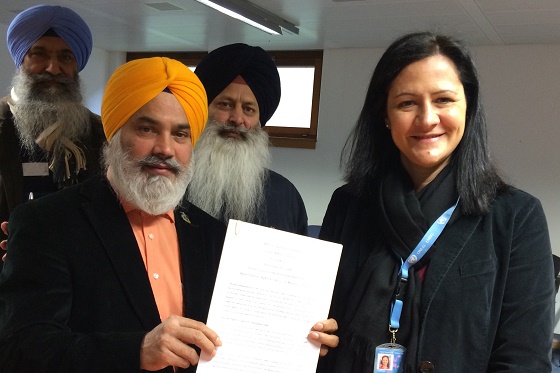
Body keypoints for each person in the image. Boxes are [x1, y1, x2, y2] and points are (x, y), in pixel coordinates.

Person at [0, 57, 338, 373]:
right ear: (113, 133)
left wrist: (298, 335)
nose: (165, 149)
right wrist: (137, 350)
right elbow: (20, 348)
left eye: (180, 134)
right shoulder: (47, 223)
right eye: (147, 129)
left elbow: (230, 334)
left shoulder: (209, 233)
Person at [316, 32, 554, 372]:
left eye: (443, 100)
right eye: (407, 103)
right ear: (385, 115)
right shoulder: (349, 204)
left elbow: (524, 361)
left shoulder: (516, 217)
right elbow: (320, 316)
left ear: (468, 108)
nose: (427, 119)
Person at [0, 5, 105, 268]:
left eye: (66, 57)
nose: (53, 68)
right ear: (21, 58)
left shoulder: (100, 134)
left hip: (77, 276)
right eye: (40, 54)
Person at [186, 43, 308, 235]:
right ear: (204, 109)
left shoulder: (285, 196)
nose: (237, 119)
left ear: (260, 120)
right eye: (225, 104)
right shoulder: (172, 185)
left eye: (248, 109)